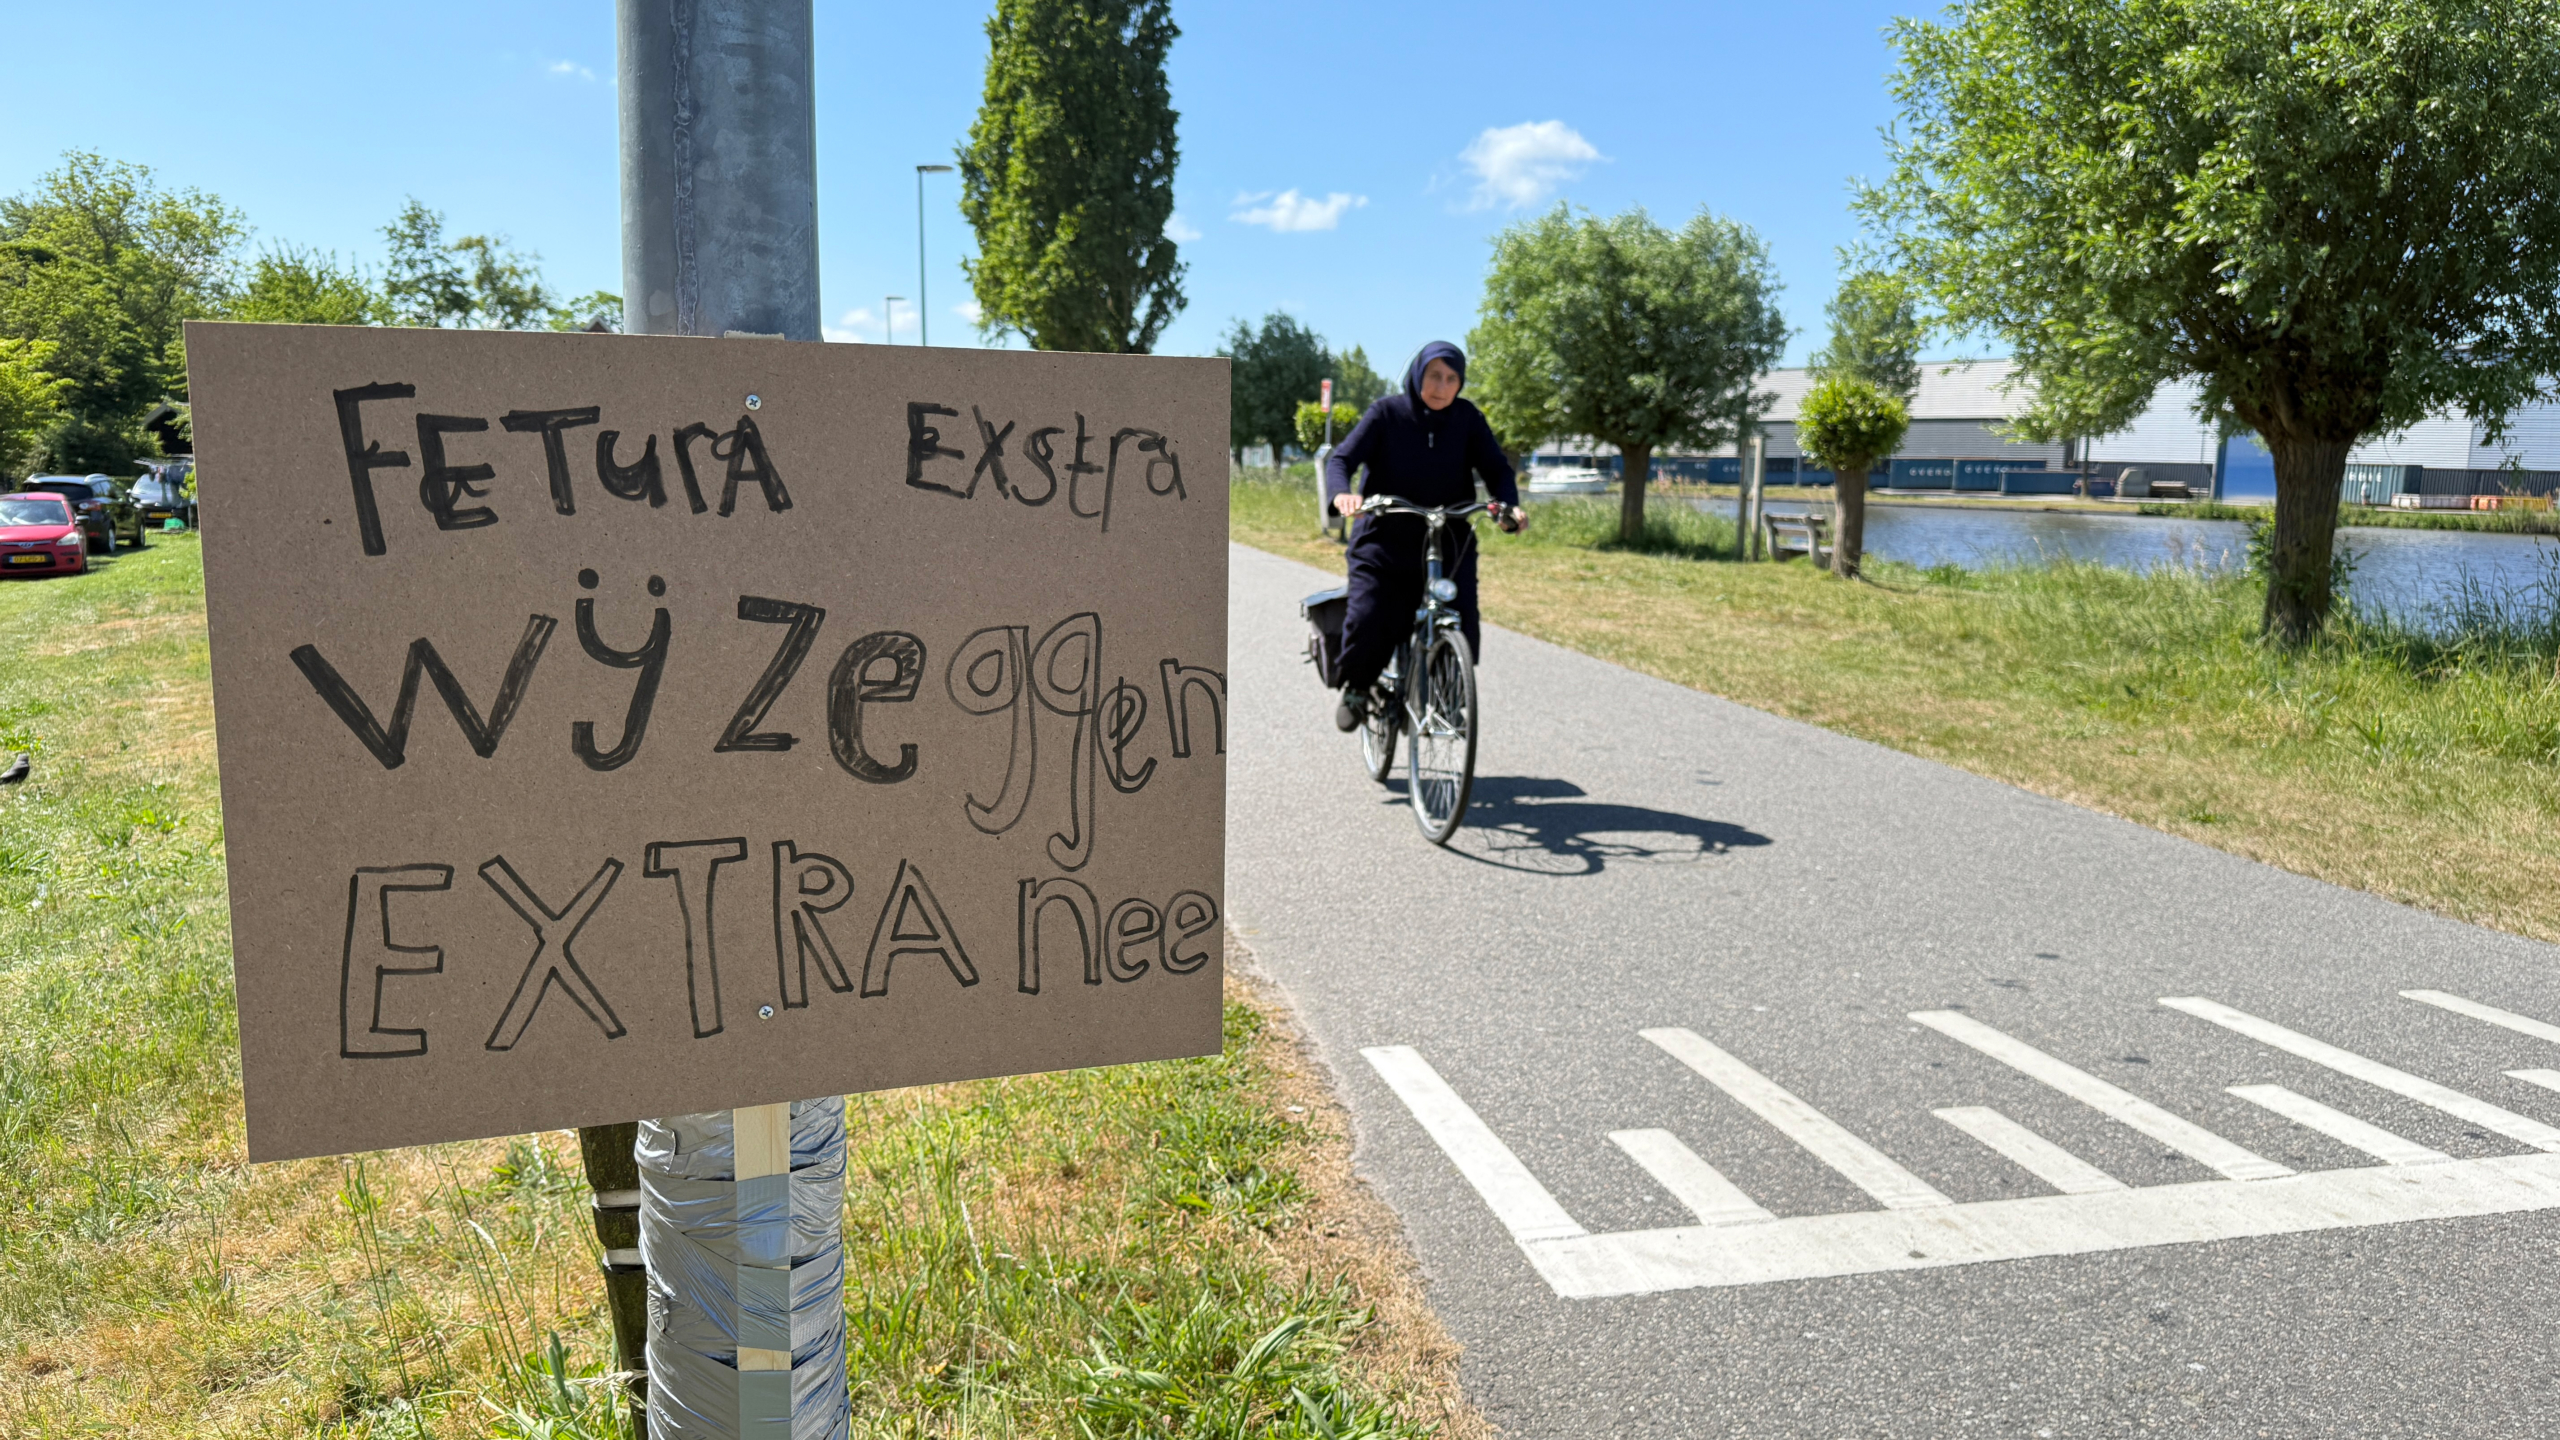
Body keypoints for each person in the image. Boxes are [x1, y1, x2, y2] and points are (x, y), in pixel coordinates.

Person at [1321, 341, 1526, 732]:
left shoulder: (1467, 419)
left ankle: (1449, 694)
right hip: (1383, 539)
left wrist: (1508, 507)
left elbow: (1497, 470)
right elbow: (1342, 459)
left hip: (1448, 539)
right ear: (1418, 375)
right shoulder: (1386, 413)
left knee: (1461, 614)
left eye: (1451, 378)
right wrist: (1342, 495)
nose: (1442, 386)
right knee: (1370, 615)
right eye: (1434, 375)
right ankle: (1358, 688)